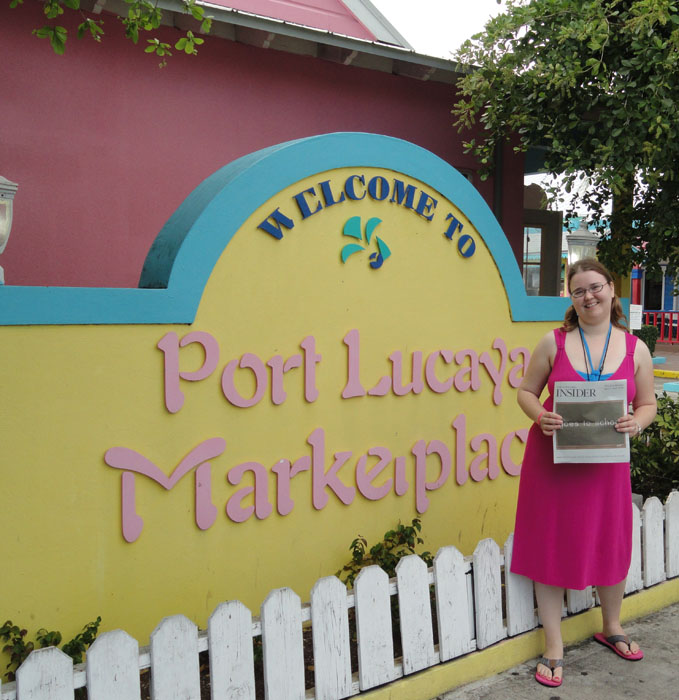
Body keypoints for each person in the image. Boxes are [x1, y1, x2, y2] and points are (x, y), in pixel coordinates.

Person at [510, 258, 657, 688]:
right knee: (551, 544)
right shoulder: (553, 342)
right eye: (579, 291)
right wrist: (540, 416)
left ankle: (612, 626)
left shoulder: (637, 349)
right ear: (571, 298)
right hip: (553, 463)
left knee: (609, 539)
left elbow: (647, 403)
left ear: (612, 290)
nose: (589, 296)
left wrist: (638, 422)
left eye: (596, 287)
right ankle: (553, 645)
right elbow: (525, 391)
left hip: (606, 464)